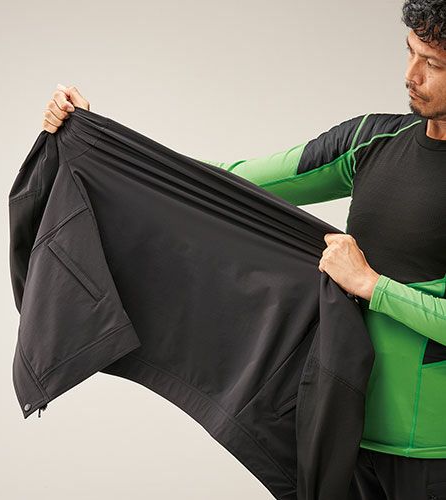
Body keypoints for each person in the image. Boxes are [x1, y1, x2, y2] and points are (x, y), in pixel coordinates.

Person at [41, 1, 446, 498]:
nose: (411, 75)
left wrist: (372, 286)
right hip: (344, 431)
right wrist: (100, 142)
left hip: (434, 453)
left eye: (433, 63)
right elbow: (227, 183)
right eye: (410, 52)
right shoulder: (372, 140)